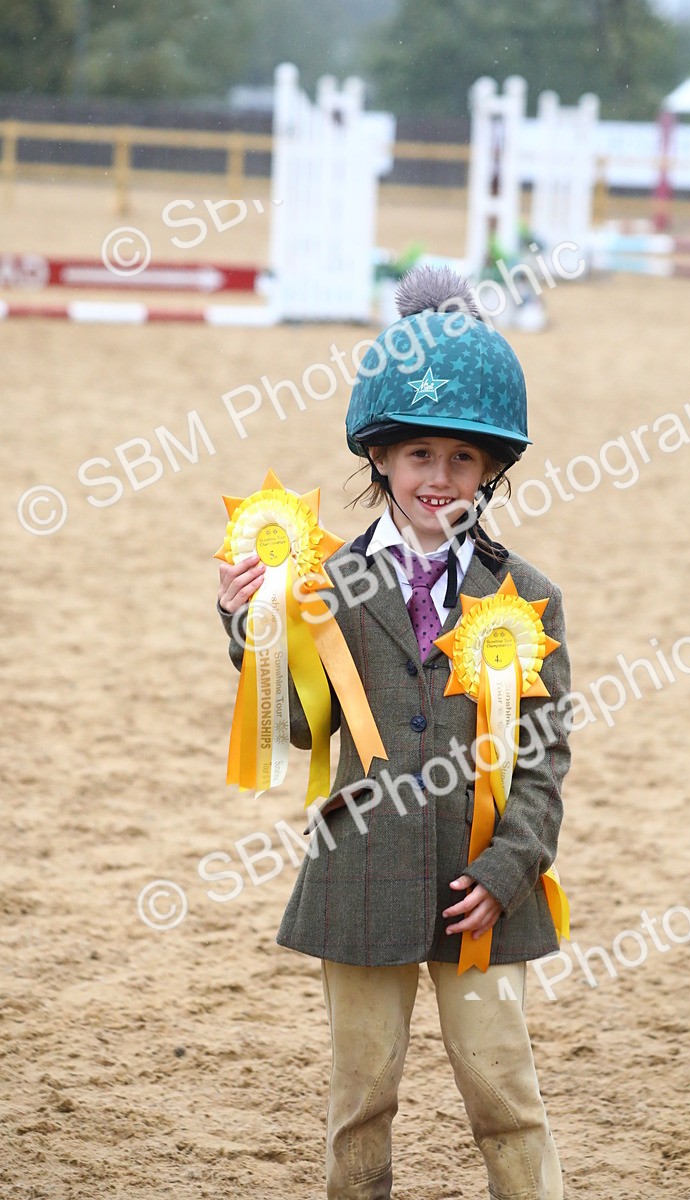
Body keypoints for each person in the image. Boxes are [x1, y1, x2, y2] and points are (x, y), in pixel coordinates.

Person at [217, 265, 572, 1200]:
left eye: (461, 460)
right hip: (361, 871)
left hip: (481, 888)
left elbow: (542, 758)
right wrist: (248, 628)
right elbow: (299, 724)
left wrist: (509, 870)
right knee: (360, 1100)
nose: (439, 479)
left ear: (491, 469)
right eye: (419, 456)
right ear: (380, 457)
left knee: (507, 1098)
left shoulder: (528, 595)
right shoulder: (323, 586)